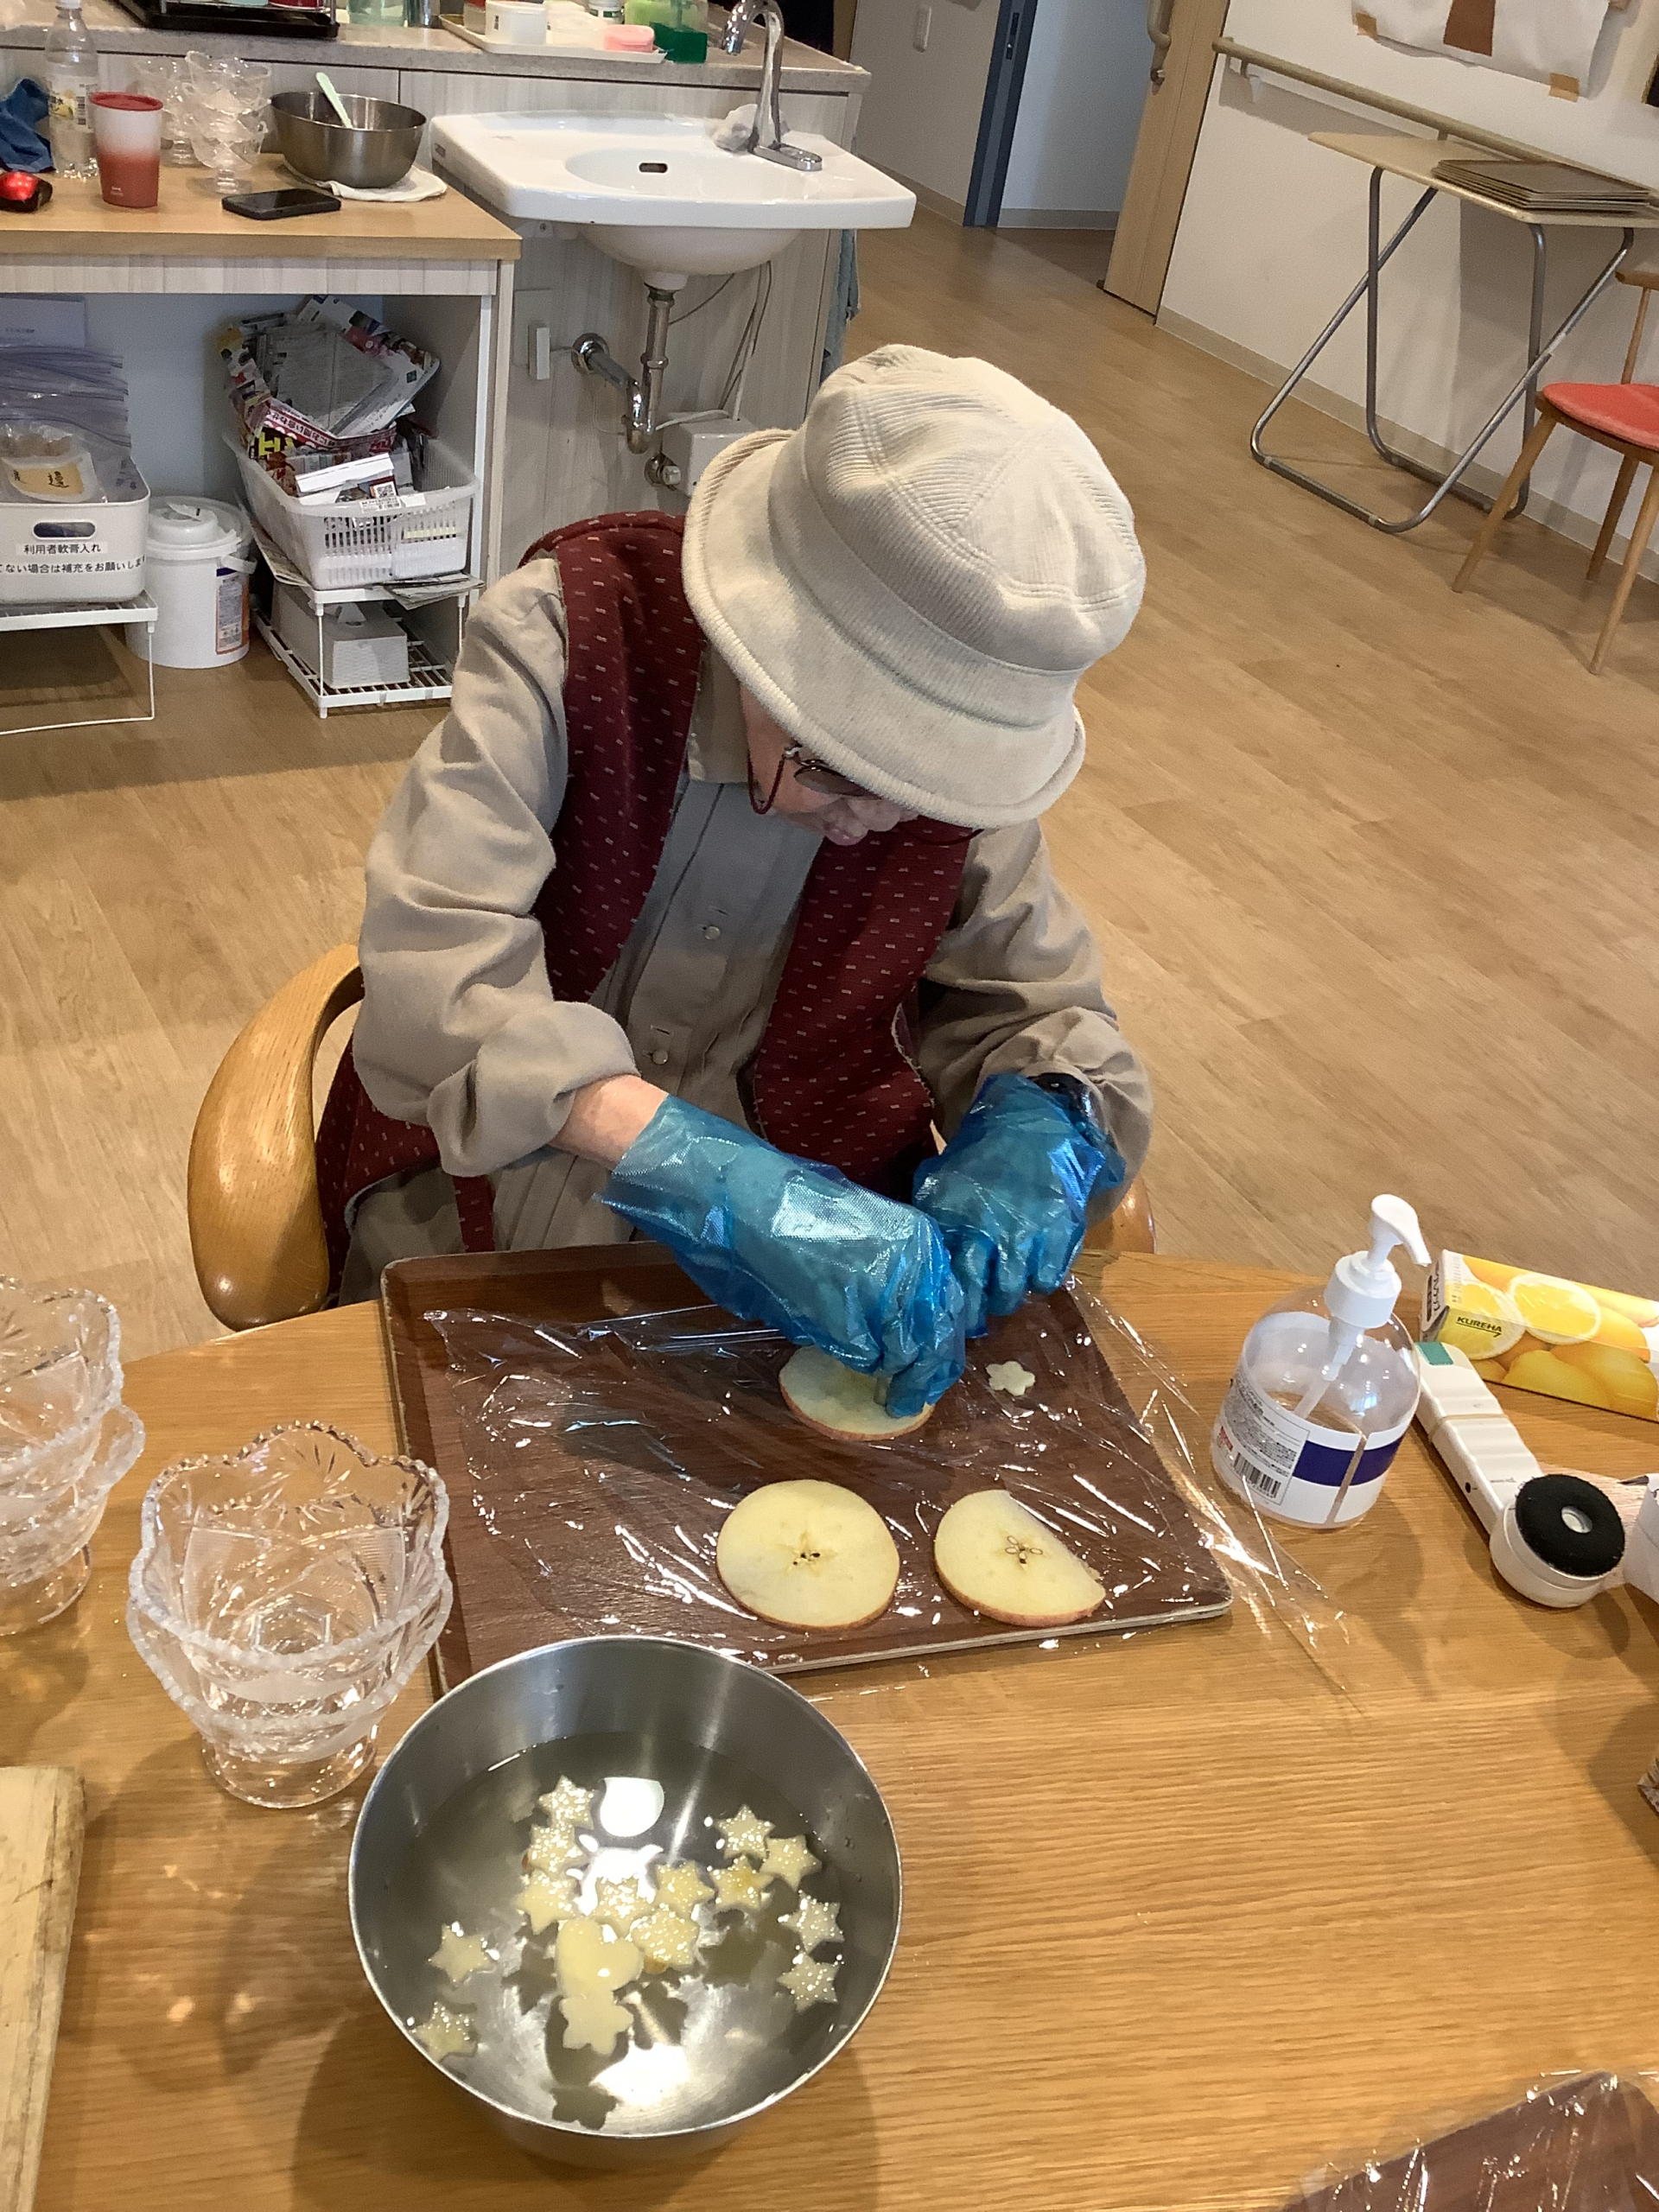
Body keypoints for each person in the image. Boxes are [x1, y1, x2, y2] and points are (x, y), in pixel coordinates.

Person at [319, 345, 1152, 1420]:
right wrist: (683, 1161)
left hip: (809, 1279)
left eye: (927, 786)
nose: (879, 819)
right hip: (482, 1195)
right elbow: (435, 958)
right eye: (836, 766)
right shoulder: (569, 637)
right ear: (751, 635)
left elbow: (1039, 1008)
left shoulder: (954, 789)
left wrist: (1044, 1124)